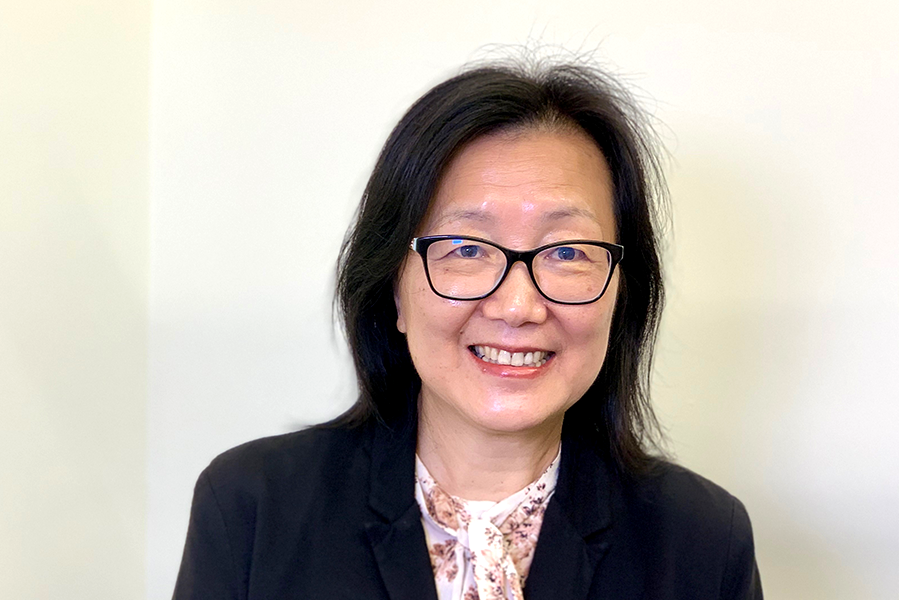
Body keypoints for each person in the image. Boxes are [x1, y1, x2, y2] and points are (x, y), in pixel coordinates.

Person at [173, 58, 763, 600]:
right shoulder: (252, 506)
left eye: (568, 252)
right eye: (465, 247)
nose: (517, 306)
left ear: (620, 295)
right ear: (394, 290)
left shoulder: (704, 542)